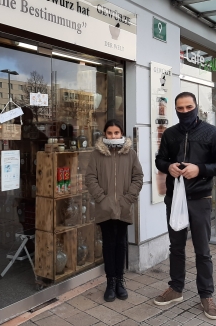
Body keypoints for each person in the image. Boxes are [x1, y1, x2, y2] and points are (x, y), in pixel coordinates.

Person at [154, 92, 216, 320]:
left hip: (200, 198)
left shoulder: (212, 133)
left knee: (202, 250)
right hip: (175, 197)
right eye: (180, 108)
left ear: (196, 107)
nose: (185, 111)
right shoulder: (170, 134)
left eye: (189, 107)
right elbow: (160, 159)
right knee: (176, 246)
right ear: (175, 110)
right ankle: (176, 288)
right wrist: (168, 167)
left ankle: (206, 295)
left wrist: (200, 169)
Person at [85, 119, 144, 302]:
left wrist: (128, 199)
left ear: (122, 134)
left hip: (124, 207)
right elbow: (90, 178)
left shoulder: (131, 153)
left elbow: (138, 177)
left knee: (121, 243)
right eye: (109, 133)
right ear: (105, 135)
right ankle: (110, 282)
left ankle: (120, 280)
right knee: (108, 244)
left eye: (116, 133)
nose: (113, 136)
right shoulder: (97, 154)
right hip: (105, 208)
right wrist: (102, 199)